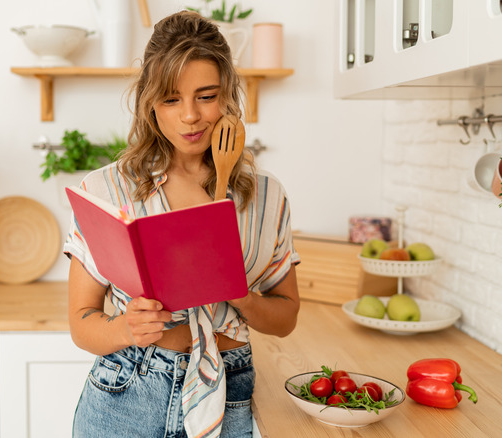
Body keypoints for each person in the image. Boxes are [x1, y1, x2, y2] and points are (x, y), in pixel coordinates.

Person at [63, 10, 300, 438]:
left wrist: (240, 295)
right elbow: (81, 323)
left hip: (229, 390)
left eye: (206, 96)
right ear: (150, 104)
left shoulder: (266, 196)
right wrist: (124, 327)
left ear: (228, 96)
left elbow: (285, 318)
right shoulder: (105, 189)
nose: (190, 116)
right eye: (171, 99)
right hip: (127, 391)